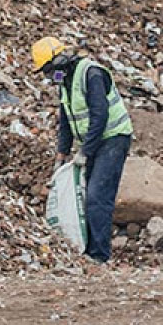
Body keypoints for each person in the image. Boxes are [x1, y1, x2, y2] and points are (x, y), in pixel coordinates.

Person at [33, 36, 133, 264]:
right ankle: (87, 249)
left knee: (98, 195)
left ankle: (99, 256)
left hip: (114, 138)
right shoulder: (64, 82)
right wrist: (61, 154)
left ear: (59, 60)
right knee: (85, 196)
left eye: (48, 69)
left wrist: (84, 152)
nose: (48, 76)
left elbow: (100, 116)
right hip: (95, 141)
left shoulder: (91, 74)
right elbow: (66, 118)